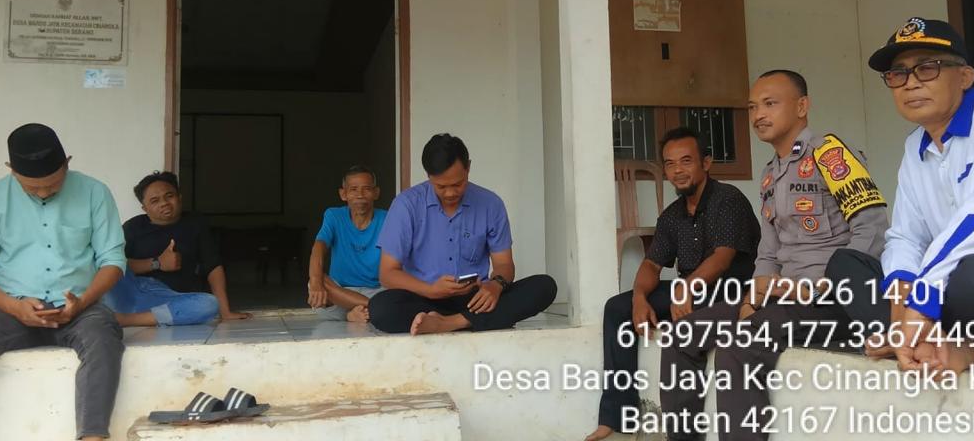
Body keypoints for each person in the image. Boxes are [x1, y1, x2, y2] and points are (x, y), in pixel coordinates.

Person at [659, 71, 890, 440]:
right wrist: (752, 298)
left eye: (770, 104)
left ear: (802, 106)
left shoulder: (830, 155)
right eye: (753, 107)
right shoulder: (770, 175)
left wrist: (815, 288)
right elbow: (768, 251)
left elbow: (873, 229)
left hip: (831, 302)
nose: (758, 115)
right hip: (781, 299)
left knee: (739, 345)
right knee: (681, 333)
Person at [828, 17, 974, 378]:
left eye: (927, 68)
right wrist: (902, 301)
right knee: (845, 265)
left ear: (964, 77)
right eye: (898, 74)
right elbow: (905, 236)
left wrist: (920, 301)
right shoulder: (914, 145)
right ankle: (917, 341)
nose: (911, 82)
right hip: (942, 292)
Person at [0, 124, 125, 441]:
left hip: (80, 307)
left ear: (67, 163)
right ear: (11, 169)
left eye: (54, 184)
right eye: (32, 188)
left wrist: (82, 302)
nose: (44, 193)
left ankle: (93, 437)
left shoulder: (94, 192)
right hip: (11, 308)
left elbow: (113, 261)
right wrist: (14, 307)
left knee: (103, 336)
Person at [585, 126, 760, 441]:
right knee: (617, 309)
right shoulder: (672, 215)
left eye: (686, 161)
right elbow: (652, 263)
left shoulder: (728, 199)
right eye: (669, 163)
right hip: (689, 292)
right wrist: (639, 298)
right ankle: (617, 416)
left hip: (730, 293)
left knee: (685, 323)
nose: (677, 170)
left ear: (706, 163)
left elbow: (722, 258)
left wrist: (685, 289)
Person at [367, 133, 557, 335]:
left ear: (468, 168)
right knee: (380, 308)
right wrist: (431, 290)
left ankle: (451, 323)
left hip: (475, 300)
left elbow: (504, 264)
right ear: (428, 175)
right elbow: (388, 273)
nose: (450, 193)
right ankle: (474, 321)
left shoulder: (490, 204)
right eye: (441, 186)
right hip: (424, 298)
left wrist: (496, 285)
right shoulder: (406, 205)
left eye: (458, 184)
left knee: (544, 286)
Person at [105, 171, 250, 327]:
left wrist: (225, 311)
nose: (164, 203)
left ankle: (125, 319)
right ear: (144, 208)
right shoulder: (133, 227)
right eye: (155, 200)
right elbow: (114, 265)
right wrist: (157, 263)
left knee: (209, 304)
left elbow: (213, 266)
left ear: (179, 197)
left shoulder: (196, 224)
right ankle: (141, 316)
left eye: (169, 196)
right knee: (99, 262)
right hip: (135, 291)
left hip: (171, 298)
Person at [307, 165, 387, 323]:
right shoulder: (334, 216)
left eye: (366, 189)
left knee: (401, 288)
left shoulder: (388, 218)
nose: (360, 195)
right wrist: (316, 282)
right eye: (353, 189)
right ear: (343, 194)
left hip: (376, 290)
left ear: (376, 193)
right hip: (340, 292)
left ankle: (351, 314)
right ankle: (372, 308)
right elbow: (319, 248)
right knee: (316, 282)